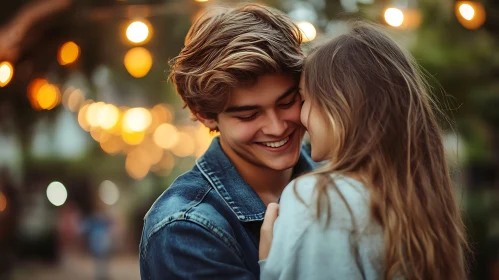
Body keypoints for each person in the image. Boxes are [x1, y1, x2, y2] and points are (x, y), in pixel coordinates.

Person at [259, 22, 470, 280]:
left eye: (304, 99)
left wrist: (269, 262)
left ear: (339, 105)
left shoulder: (321, 199)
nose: (301, 117)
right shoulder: (421, 201)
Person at [139, 4, 316, 279]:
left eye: (287, 102)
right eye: (248, 115)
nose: (277, 127)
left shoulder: (346, 174)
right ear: (206, 115)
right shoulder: (184, 230)